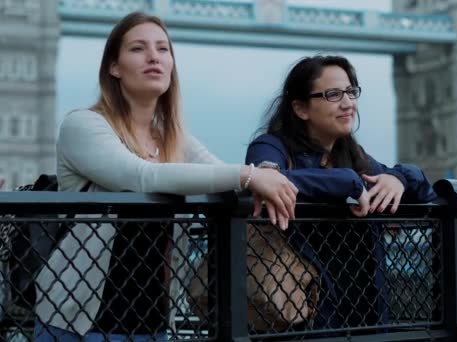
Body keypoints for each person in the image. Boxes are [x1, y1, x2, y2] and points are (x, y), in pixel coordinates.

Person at [34, 12, 297, 341]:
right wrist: (249, 175)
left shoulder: (173, 138)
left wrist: (264, 175)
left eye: (162, 49)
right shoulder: (83, 125)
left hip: (154, 324)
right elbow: (142, 176)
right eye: (137, 49)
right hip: (79, 322)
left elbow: (218, 173)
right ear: (114, 67)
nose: (153, 57)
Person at [246, 55, 437, 329]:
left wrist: (399, 178)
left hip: (363, 316)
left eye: (351, 92)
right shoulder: (269, 147)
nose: (348, 103)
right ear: (301, 108)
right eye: (333, 95)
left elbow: (425, 192)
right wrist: (346, 182)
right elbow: (269, 179)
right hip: (299, 316)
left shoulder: (354, 156)